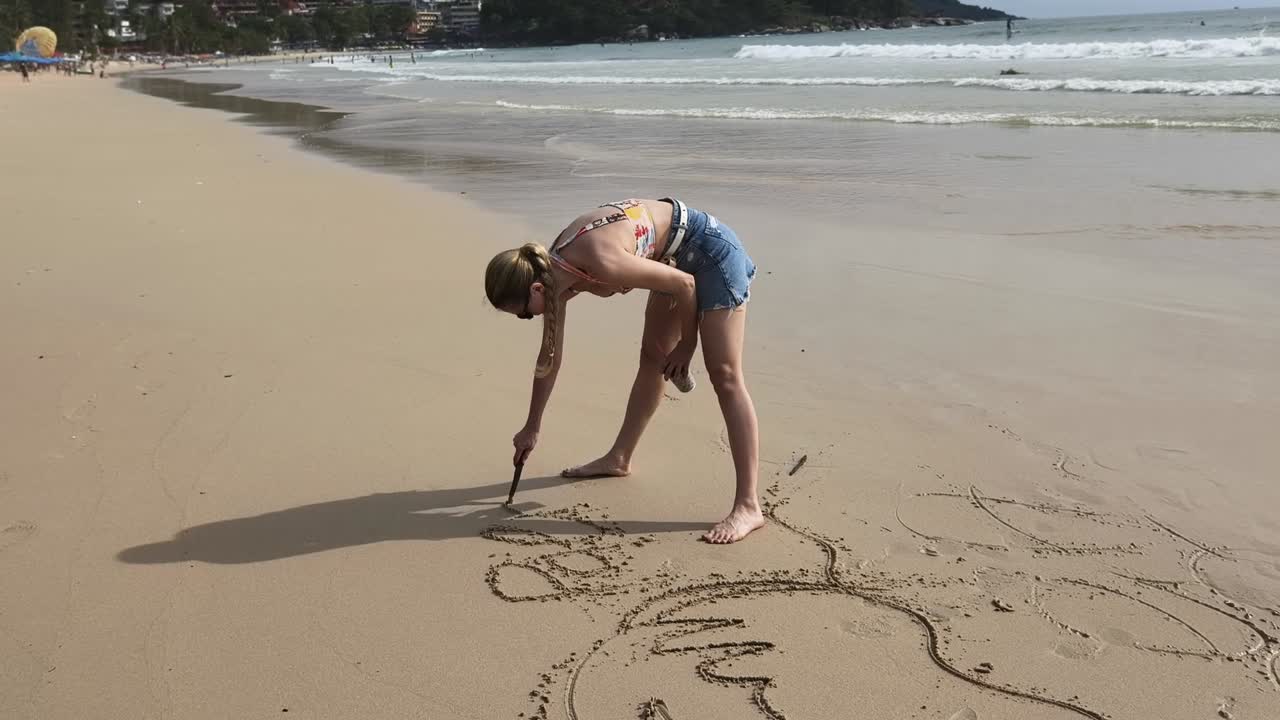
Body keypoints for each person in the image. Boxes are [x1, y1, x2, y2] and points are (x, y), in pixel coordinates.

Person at [484, 199, 763, 544]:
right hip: (673, 259)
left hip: (711, 253)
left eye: (525, 314)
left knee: (724, 374)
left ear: (536, 289)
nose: (529, 319)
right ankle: (619, 458)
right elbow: (550, 358)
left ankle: (749, 505)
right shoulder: (552, 269)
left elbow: (686, 285)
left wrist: (688, 345)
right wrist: (532, 427)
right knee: (653, 357)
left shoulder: (597, 260)